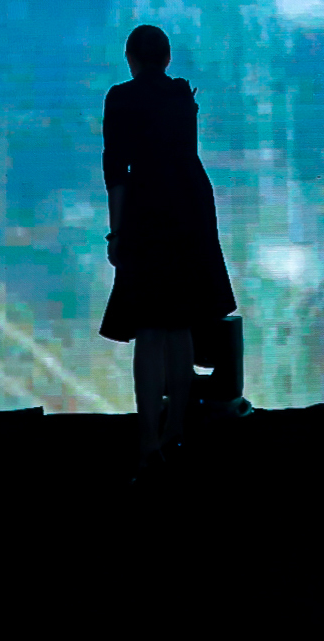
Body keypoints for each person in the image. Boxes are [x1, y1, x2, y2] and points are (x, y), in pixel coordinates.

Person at [100, 24, 236, 476]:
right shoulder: (181, 95)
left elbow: (116, 170)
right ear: (167, 57)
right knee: (179, 328)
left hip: (147, 210)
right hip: (190, 208)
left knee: (150, 329)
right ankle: (175, 432)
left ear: (130, 58)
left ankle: (147, 441)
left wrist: (116, 233)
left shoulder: (121, 98)